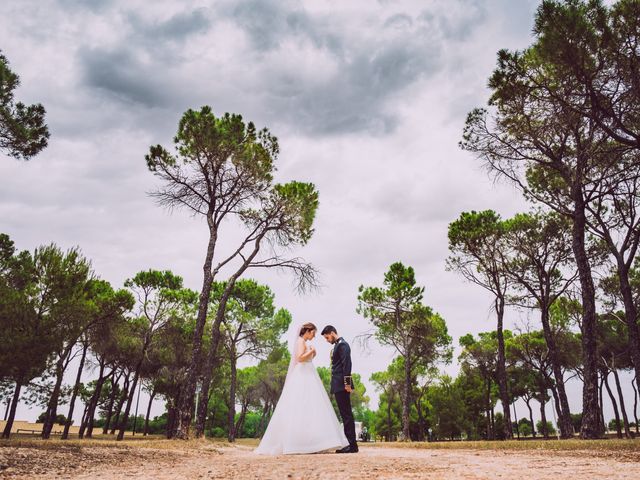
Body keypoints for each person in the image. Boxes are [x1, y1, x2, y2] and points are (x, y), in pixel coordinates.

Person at [254, 322, 349, 455]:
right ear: (308, 331)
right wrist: (311, 351)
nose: (314, 336)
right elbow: (299, 358)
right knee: (301, 405)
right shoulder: (300, 341)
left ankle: (312, 442)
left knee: (311, 407)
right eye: (313, 333)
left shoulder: (304, 342)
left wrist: (312, 353)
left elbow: (306, 358)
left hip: (309, 373)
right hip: (303, 374)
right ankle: (300, 443)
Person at [321, 325, 358, 453]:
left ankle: (352, 446)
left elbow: (347, 364)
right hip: (338, 385)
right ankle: (349, 443)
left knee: (346, 414)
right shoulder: (337, 345)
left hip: (343, 385)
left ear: (332, 333)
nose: (327, 340)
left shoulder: (343, 345)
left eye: (327, 337)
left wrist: (347, 384)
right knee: (344, 414)